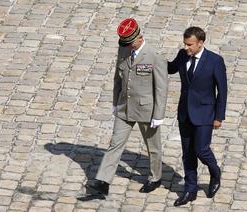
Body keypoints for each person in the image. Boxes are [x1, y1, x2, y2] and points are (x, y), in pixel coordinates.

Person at [84, 18, 168, 198]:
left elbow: (161, 88)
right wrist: (115, 102)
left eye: (130, 43)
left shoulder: (155, 56)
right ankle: (103, 183)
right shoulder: (123, 49)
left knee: (153, 147)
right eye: (125, 44)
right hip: (124, 107)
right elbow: (118, 77)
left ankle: (155, 177)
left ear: (139, 38)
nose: (127, 47)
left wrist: (158, 114)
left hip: (147, 110)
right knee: (115, 144)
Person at [167, 26, 227, 206]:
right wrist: (151, 58)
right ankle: (190, 189)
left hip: (205, 113)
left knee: (201, 149)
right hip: (185, 113)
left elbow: (222, 91)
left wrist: (219, 117)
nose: (186, 48)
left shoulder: (215, 61)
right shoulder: (182, 55)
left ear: (201, 43)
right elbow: (170, 69)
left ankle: (215, 173)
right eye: (185, 44)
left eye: (190, 45)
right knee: (187, 153)